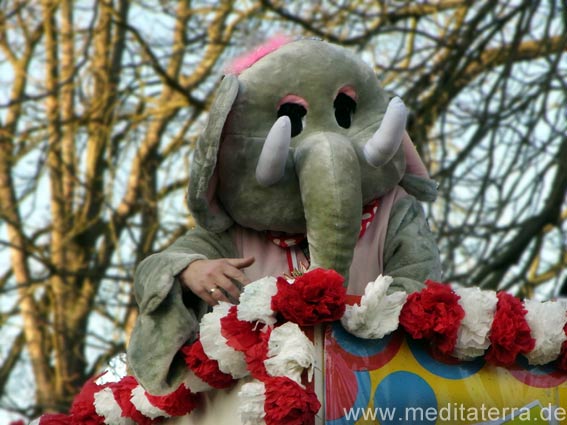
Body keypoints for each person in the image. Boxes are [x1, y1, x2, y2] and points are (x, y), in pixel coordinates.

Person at [127, 38, 441, 397]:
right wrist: (189, 270)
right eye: (290, 119)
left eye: (344, 113)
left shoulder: (392, 210)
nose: (324, 138)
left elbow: (421, 286)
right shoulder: (234, 234)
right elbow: (152, 271)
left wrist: (358, 330)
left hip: (374, 398)